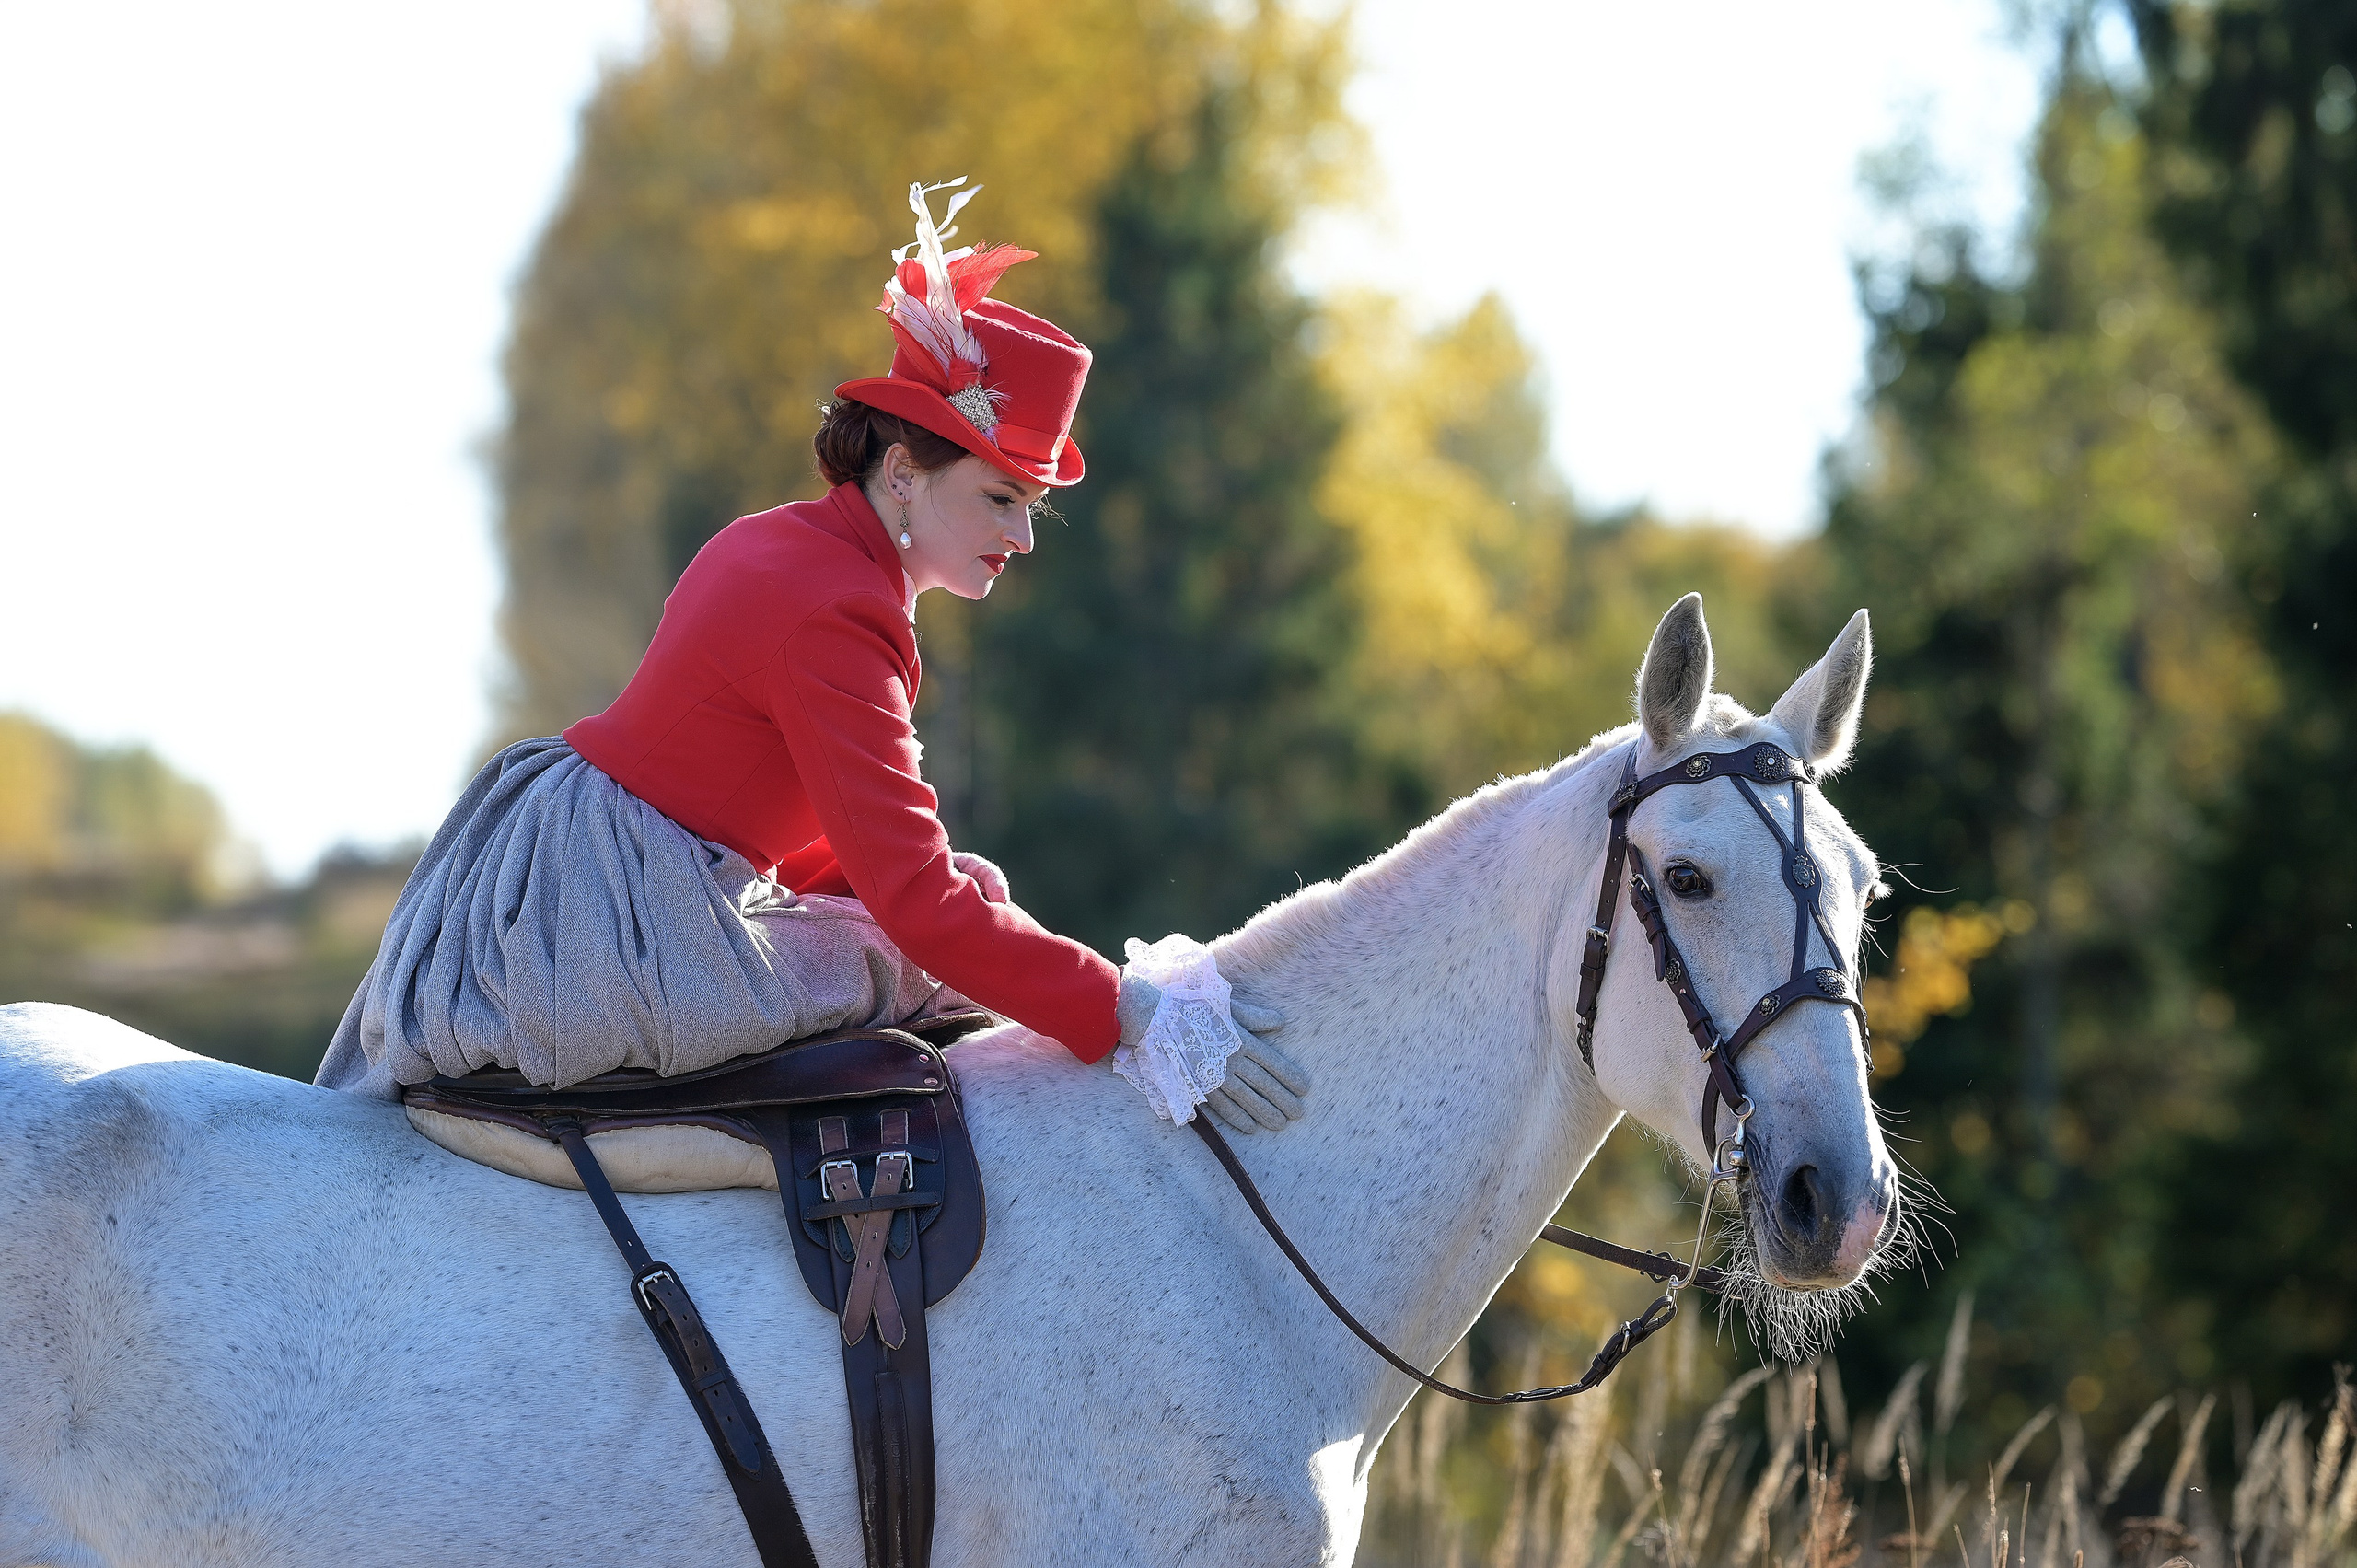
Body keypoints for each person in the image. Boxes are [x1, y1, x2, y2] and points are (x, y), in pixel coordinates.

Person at [315, 180, 1307, 1135]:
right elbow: (914, 901)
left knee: (977, 902)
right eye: (1001, 498)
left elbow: (780, 813)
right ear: (904, 472)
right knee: (944, 951)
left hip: (574, 860)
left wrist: (1017, 941)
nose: (1025, 535)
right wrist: (1123, 1006)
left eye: (1031, 504)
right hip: (618, 926)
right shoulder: (837, 606)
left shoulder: (797, 546)